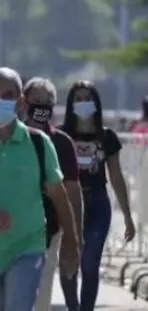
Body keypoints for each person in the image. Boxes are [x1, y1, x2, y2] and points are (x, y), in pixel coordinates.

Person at [0, 67, 80, 311]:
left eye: (9, 95)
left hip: (27, 248)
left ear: (21, 101)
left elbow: (60, 196)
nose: (1, 101)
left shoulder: (40, 144)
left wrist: (72, 243)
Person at [58, 80, 136, 311]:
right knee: (69, 262)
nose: (83, 103)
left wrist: (129, 217)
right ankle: (73, 306)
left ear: (96, 103)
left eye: (88, 98)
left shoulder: (107, 137)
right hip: (69, 202)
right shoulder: (62, 136)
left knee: (90, 264)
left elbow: (116, 177)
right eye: (78, 99)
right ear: (71, 104)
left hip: (98, 202)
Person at [21, 77, 83, 311]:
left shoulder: (62, 143)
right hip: (9, 229)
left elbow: (72, 190)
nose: (41, 106)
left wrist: (73, 236)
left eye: (46, 102)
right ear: (24, 102)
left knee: (41, 292)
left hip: (49, 229)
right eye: (35, 101)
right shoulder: (5, 138)